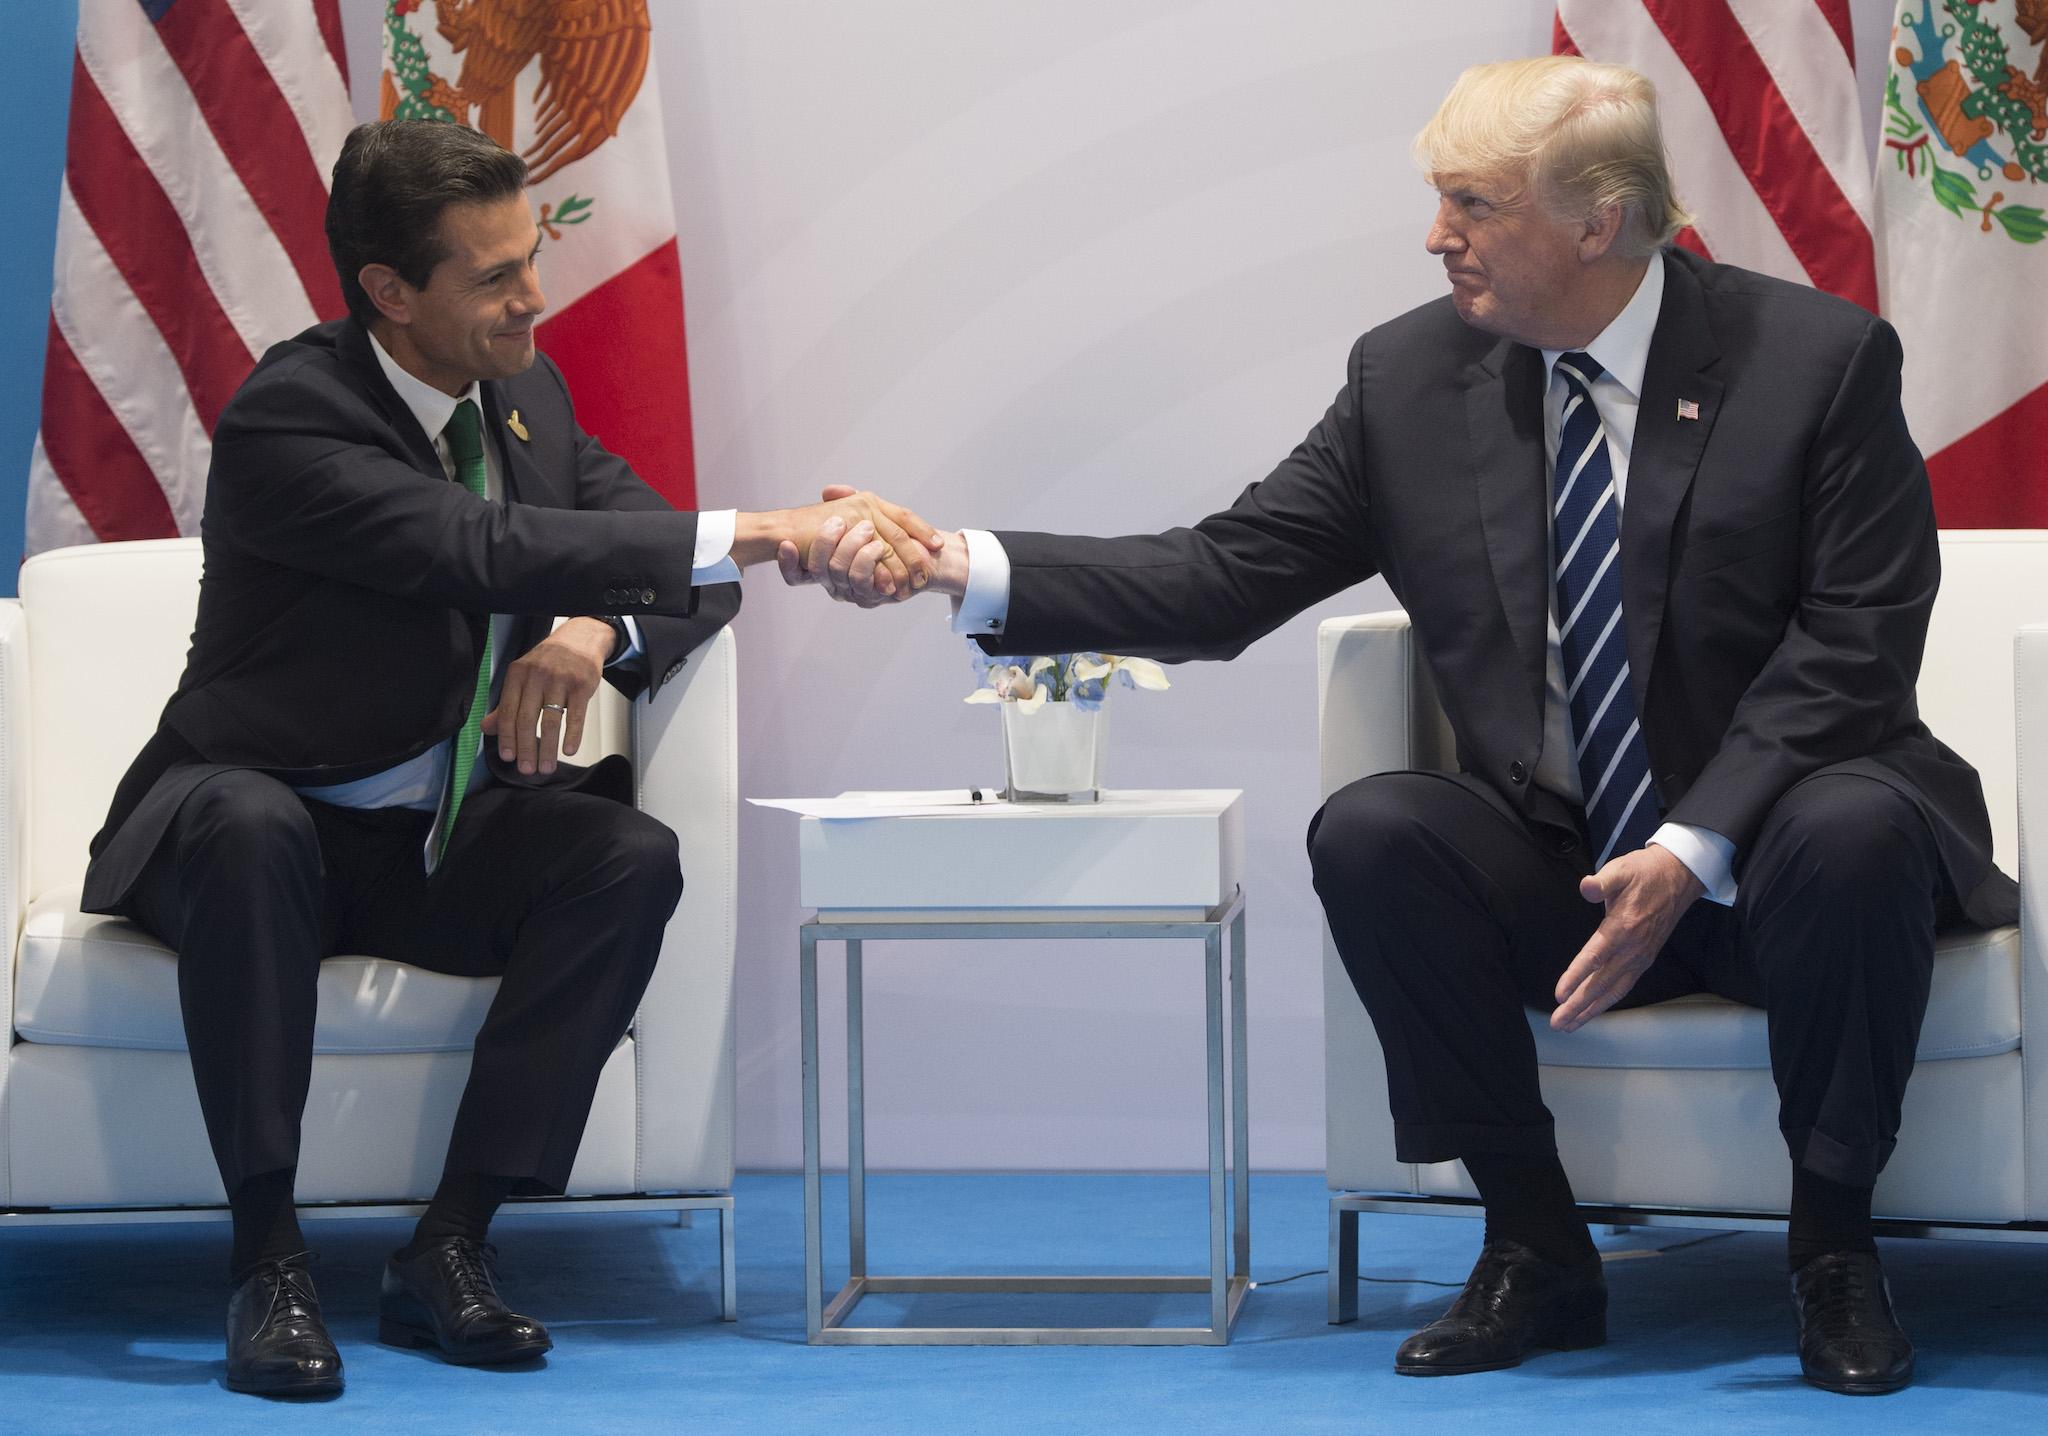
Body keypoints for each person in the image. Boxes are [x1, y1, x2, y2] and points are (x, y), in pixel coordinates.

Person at [795, 57, 2019, 1396]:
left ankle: (1833, 1249)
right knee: (1376, 829)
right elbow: (1220, 576)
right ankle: (1536, 1244)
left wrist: (1690, 846)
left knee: (1852, 824)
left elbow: (1856, 642)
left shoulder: (1814, 360)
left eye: (1472, 204)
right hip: (1569, 854)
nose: (1436, 235)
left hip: (1779, 845)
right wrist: (957, 563)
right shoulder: (1409, 379)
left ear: (1598, 220)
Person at [83, 118, 942, 1399]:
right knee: (256, 830)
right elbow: (480, 550)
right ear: (388, 293)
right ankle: (266, 1261)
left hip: (419, 836)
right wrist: (780, 526)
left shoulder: (524, 394)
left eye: (527, 257)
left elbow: (667, 567)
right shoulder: (290, 416)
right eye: (493, 276)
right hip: (240, 823)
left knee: (623, 856)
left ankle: (453, 1240)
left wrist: (592, 632)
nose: (532, 294)